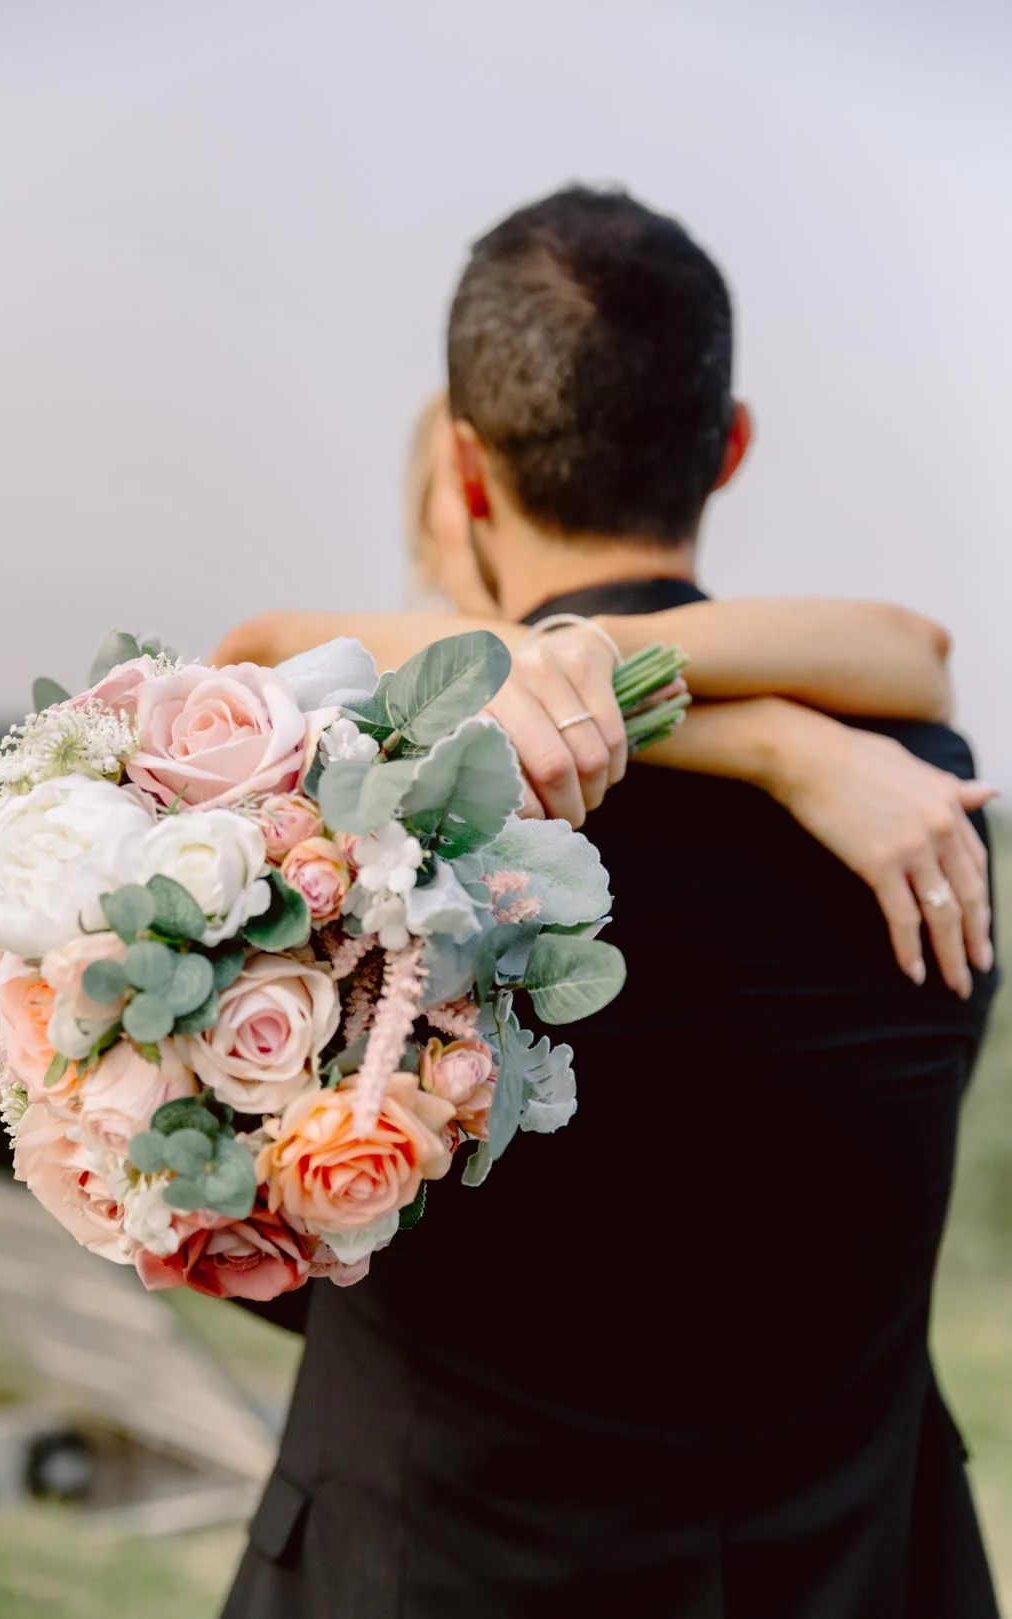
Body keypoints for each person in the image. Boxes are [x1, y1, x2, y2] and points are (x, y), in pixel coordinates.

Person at [217, 187, 999, 1617]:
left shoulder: (341, 803)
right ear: (731, 443)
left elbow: (268, 649)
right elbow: (919, 657)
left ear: (464, 470)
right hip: (847, 1576)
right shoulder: (926, 806)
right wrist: (775, 736)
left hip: (418, 1573)